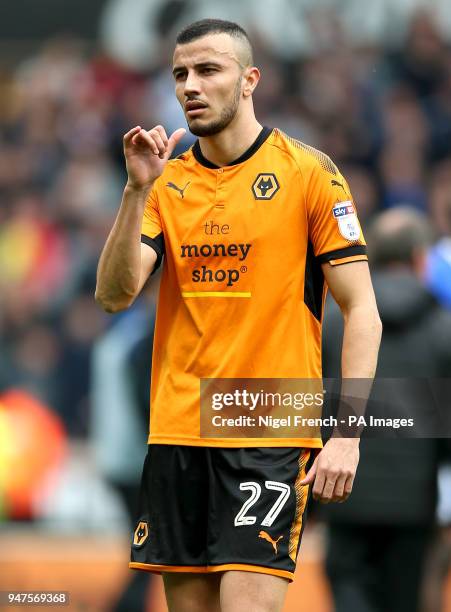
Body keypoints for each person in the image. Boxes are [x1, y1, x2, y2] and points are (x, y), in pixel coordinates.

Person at [95, 18, 382, 612]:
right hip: (176, 431)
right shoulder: (166, 183)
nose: (190, 86)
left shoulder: (309, 173)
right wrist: (134, 193)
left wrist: (348, 435)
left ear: (249, 79)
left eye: (207, 70)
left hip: (269, 428)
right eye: (180, 75)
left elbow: (363, 312)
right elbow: (115, 294)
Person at [321, 206, 451, 612]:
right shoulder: (443, 328)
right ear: (420, 259)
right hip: (413, 504)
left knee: (350, 594)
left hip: (343, 495)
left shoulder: (335, 323)